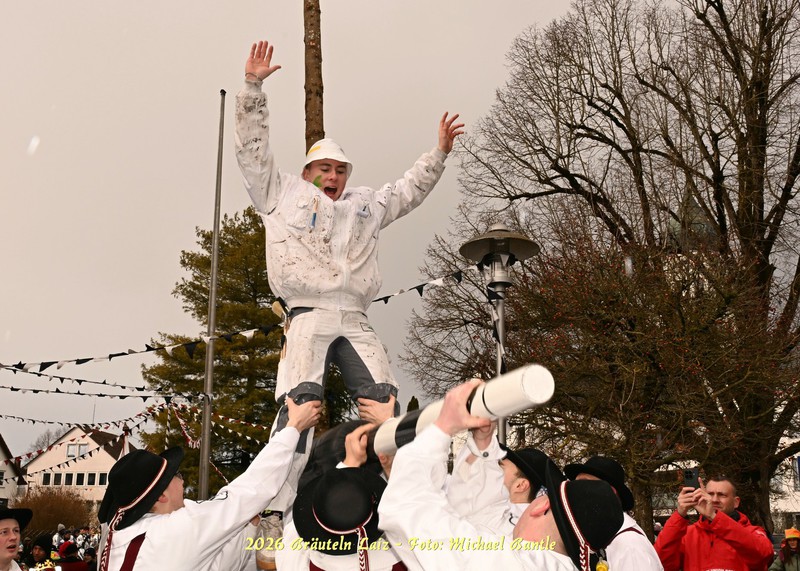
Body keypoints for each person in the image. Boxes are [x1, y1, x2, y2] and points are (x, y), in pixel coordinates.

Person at [235, 39, 463, 507]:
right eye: (324, 168)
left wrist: (438, 154)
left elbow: (407, 191)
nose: (333, 177)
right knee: (300, 406)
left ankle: (399, 502)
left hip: (356, 316)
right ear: (308, 172)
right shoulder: (282, 194)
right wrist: (253, 88)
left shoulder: (364, 205)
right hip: (308, 313)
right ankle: (274, 507)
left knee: (384, 401)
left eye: (340, 169)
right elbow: (253, 152)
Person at [379, 379, 624, 571]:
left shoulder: (513, 564)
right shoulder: (550, 563)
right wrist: (482, 444)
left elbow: (407, 508)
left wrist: (443, 427)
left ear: (542, 505)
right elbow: (477, 514)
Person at [97, 397, 320, 571]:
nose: (183, 481)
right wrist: (293, 427)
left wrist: (250, 527)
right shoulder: (174, 530)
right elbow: (250, 489)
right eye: (176, 475)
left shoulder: (118, 538)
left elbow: (216, 566)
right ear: (162, 496)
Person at [654, 475, 774, 571]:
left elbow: (763, 556)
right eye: (710, 494)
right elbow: (661, 563)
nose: (714, 500)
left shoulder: (753, 532)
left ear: (736, 502)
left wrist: (714, 517)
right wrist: (680, 514)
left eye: (722, 495)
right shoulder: (688, 534)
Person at [564, 456, 663, 570]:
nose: (574, 490)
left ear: (609, 491)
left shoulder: (629, 545)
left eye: (583, 484)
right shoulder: (604, 538)